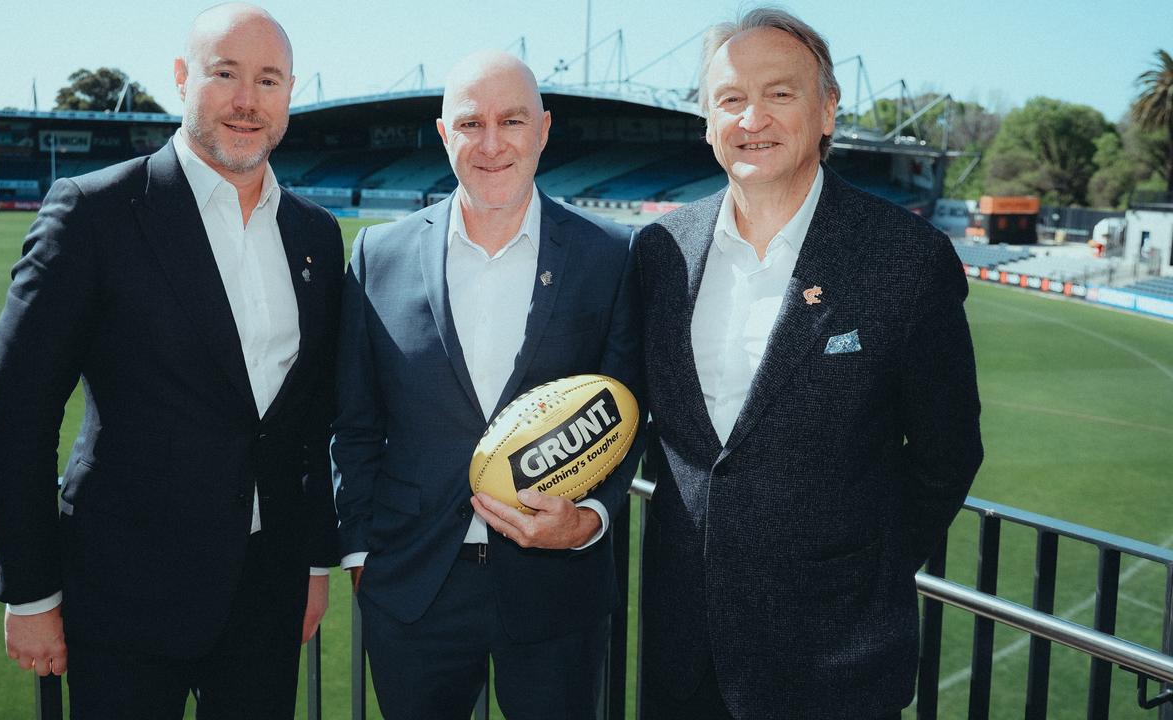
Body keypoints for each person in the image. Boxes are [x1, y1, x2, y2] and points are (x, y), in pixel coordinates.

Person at [0, 4, 343, 716]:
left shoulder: (315, 235)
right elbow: (15, 411)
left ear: (290, 93)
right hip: (124, 599)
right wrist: (30, 591)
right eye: (225, 73)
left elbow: (312, 416)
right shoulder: (94, 213)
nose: (247, 100)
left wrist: (315, 561)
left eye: (268, 80)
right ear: (182, 78)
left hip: (266, 597)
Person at [636, 8, 983, 719]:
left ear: (828, 110)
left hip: (836, 664)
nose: (751, 117)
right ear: (706, 122)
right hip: (683, 655)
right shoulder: (659, 252)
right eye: (730, 99)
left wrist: (869, 577)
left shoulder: (905, 259)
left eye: (781, 93)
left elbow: (948, 453)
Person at [331, 50, 643, 720]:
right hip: (414, 587)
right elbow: (354, 423)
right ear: (444, 135)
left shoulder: (609, 255)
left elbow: (627, 413)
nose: (493, 143)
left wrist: (589, 520)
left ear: (544, 129)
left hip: (558, 588)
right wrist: (362, 554)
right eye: (471, 123)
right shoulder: (378, 257)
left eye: (513, 120)